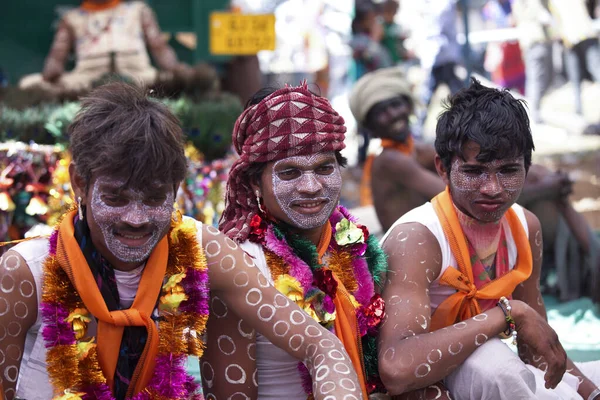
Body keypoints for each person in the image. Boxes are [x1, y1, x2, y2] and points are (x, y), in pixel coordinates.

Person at [0, 82, 363, 400]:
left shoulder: (203, 251)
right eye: (115, 198)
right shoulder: (25, 273)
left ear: (177, 189)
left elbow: (322, 347)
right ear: (80, 182)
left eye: (155, 198)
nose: (136, 218)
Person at [377, 79, 600, 399]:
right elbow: (396, 370)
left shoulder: (526, 227)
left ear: (527, 167)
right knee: (494, 365)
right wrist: (509, 314)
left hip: (497, 369)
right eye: (474, 171)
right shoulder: (418, 238)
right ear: (443, 169)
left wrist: (588, 391)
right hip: (430, 385)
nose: (492, 188)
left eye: (508, 170)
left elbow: (537, 345)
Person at [201, 84, 388, 399]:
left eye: (324, 168)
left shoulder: (354, 243)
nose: (311, 187)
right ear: (254, 183)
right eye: (289, 173)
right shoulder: (239, 262)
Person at [19, 0, 192, 94]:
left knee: (187, 79)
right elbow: (57, 55)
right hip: (87, 81)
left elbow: (159, 47)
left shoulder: (138, 9)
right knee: (28, 84)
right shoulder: (72, 18)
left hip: (139, 76)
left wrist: (175, 69)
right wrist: (51, 73)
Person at [349, 67, 445, 233]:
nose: (393, 115)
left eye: (395, 105)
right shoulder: (389, 160)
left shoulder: (418, 150)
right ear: (370, 126)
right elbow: (455, 196)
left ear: (408, 106)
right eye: (381, 112)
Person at [548, 0, 600, 116]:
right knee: (576, 77)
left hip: (581, 35)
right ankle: (578, 111)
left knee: (593, 71)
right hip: (572, 39)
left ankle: (578, 111)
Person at [512, 0, 556, 123]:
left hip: (531, 43)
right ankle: (533, 113)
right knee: (536, 80)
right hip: (536, 42)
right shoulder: (531, 4)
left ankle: (534, 112)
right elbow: (543, 17)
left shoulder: (516, 4)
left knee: (538, 79)